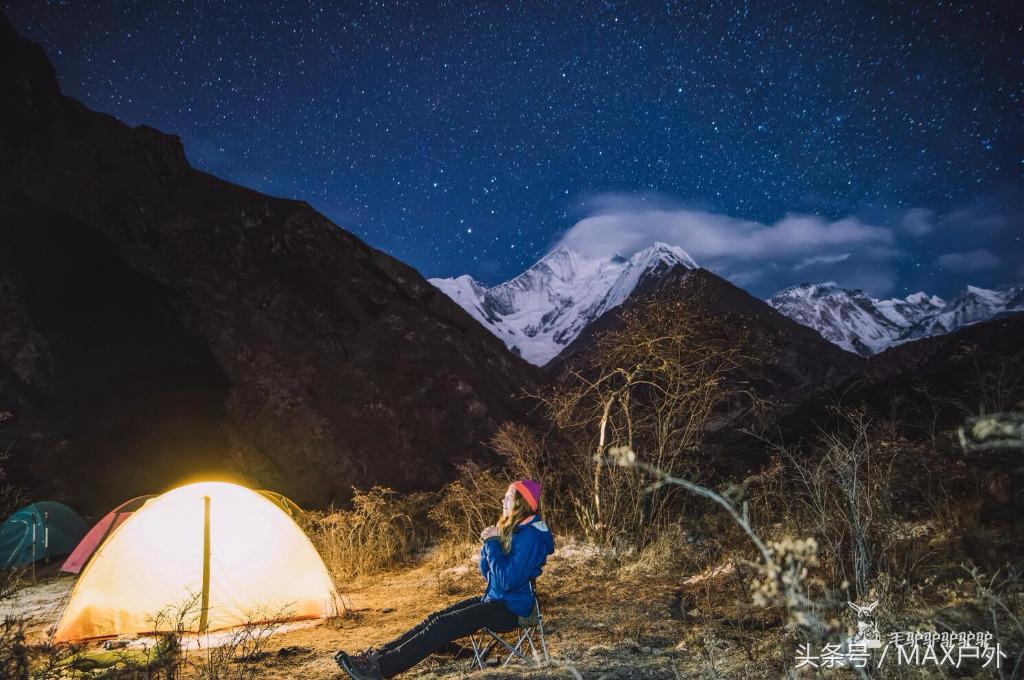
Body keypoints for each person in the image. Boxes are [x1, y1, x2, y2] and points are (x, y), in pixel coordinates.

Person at [334, 479, 554, 679]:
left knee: (442, 625)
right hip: (495, 600)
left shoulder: (531, 536)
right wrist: (488, 547)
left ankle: (381, 670)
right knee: (434, 618)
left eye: (509, 496)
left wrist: (493, 544)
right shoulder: (515, 531)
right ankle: (375, 658)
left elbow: (508, 580)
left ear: (522, 502)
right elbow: (489, 574)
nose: (503, 500)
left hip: (513, 610)